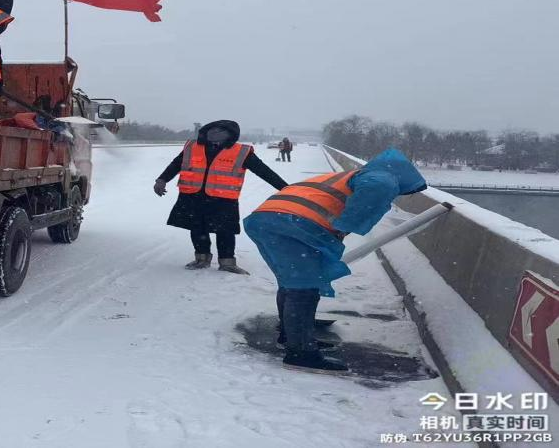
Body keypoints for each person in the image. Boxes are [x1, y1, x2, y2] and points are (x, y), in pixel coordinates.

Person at [243, 148, 427, 374]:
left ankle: (293, 334)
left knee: (292, 282)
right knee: (304, 287)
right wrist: (345, 227)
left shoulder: (353, 175)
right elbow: (370, 198)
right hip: (289, 224)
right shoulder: (384, 179)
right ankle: (300, 351)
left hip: (267, 219)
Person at [154, 120, 288, 274]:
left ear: (231, 135)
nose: (215, 134)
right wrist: (162, 179)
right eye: (213, 130)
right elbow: (176, 164)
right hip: (193, 195)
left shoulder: (241, 151)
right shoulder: (192, 146)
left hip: (223, 199)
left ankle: (227, 262)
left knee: (225, 230)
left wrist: (285, 188)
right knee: (197, 227)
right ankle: (201, 258)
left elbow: (264, 172)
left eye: (221, 131)